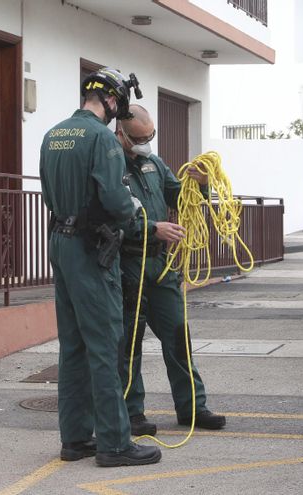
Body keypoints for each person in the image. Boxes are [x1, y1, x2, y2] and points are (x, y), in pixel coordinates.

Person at [39, 68, 161, 467]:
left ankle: (74, 439)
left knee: (72, 345)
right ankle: (114, 443)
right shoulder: (102, 139)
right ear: (111, 101)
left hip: (60, 241)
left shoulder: (53, 134)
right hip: (93, 248)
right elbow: (115, 200)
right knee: (106, 345)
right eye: (118, 106)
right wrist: (139, 219)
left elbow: (48, 193)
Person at [116, 104, 226, 436]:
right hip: (128, 262)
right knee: (129, 343)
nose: (145, 143)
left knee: (179, 336)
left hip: (161, 266)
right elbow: (113, 213)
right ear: (121, 134)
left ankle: (193, 406)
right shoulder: (109, 163)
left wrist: (201, 186)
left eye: (150, 136)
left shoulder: (154, 163)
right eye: (139, 138)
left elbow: (182, 198)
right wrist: (152, 229)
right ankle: (132, 413)